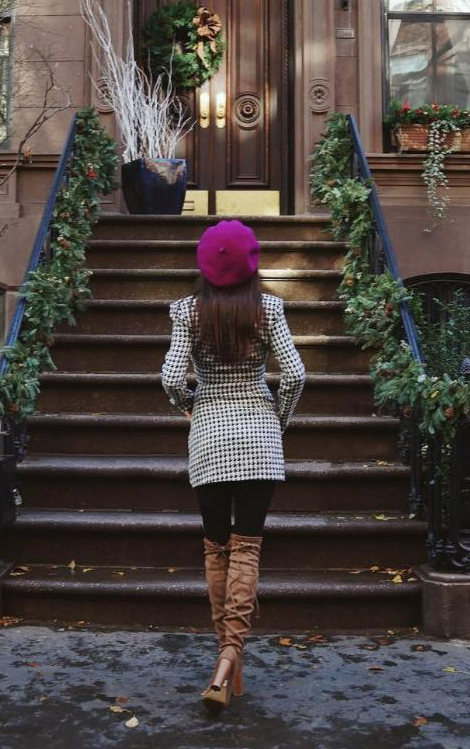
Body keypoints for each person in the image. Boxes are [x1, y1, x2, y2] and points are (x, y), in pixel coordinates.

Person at [161, 218, 306, 710]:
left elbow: (168, 376)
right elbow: (295, 374)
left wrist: (189, 402)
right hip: (259, 437)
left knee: (215, 547)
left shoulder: (186, 310)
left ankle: (224, 658)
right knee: (246, 549)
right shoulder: (268, 309)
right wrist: (277, 418)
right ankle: (229, 658)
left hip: (209, 436)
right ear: (252, 264)